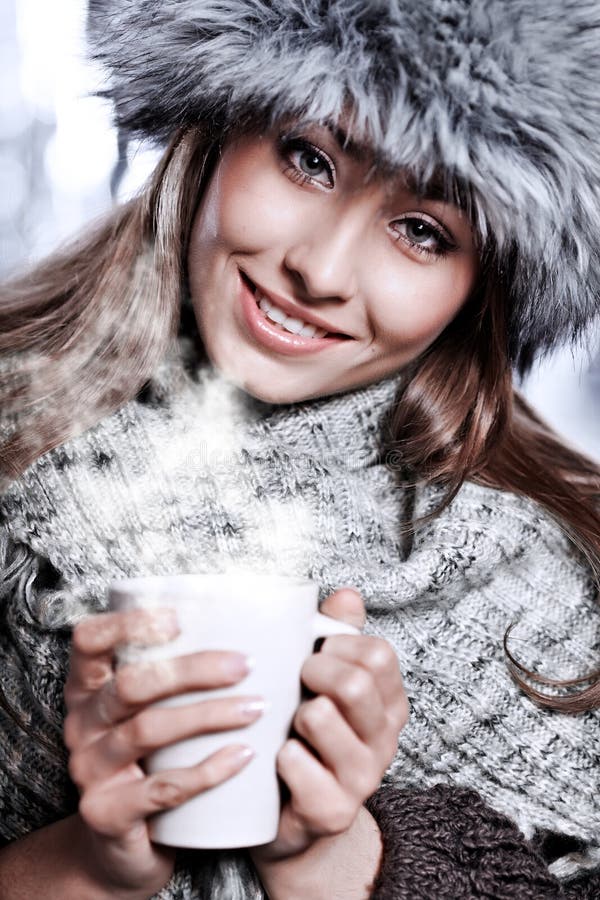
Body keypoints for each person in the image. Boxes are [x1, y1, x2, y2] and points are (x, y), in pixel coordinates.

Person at [0, 0, 599, 897]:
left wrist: (333, 857)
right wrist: (89, 867)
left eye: (422, 231)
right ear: (216, 123)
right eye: (309, 159)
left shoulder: (555, 594)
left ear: (485, 286)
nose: (319, 271)